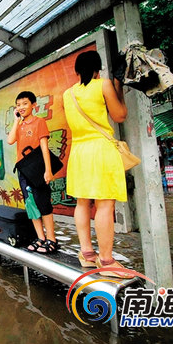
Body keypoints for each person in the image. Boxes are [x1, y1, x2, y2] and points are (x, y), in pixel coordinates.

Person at [61, 50, 132, 278]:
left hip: (78, 152)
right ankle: (107, 261)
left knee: (82, 203)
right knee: (104, 206)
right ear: (97, 68)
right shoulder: (103, 85)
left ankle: (87, 255)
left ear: (76, 70)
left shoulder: (67, 94)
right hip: (100, 149)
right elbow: (120, 115)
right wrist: (118, 87)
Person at [7, 91, 59, 254]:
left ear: (34, 105)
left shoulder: (39, 122)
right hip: (23, 170)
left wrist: (48, 170)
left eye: (24, 103)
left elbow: (44, 147)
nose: (21, 107)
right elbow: (10, 140)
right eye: (18, 104)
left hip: (38, 169)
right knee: (31, 204)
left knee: (43, 203)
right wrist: (16, 120)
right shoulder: (19, 124)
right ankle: (40, 238)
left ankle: (52, 240)